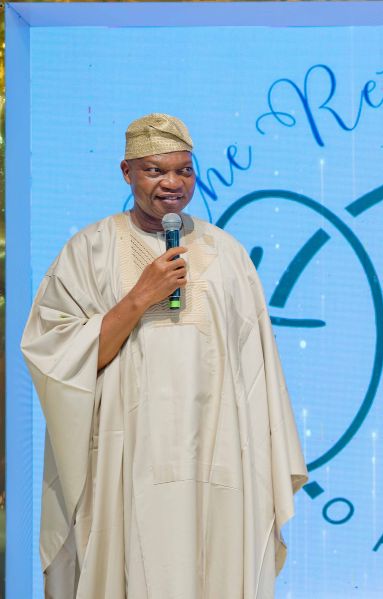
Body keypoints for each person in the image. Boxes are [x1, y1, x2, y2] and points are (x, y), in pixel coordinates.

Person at [21, 113, 307, 598]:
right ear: (126, 172)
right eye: (155, 171)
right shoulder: (89, 251)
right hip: (125, 456)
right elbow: (58, 358)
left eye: (184, 171)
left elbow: (257, 372)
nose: (172, 184)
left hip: (217, 456)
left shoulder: (228, 254)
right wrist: (139, 297)